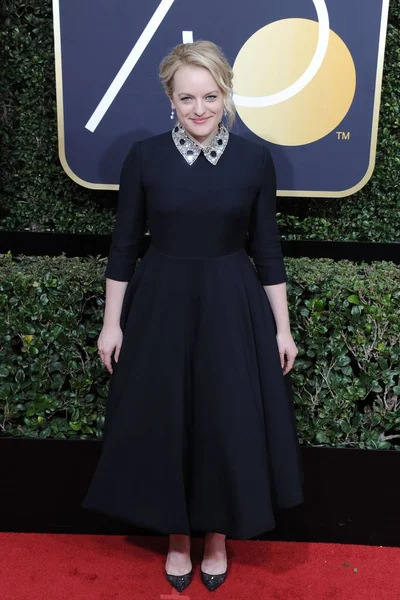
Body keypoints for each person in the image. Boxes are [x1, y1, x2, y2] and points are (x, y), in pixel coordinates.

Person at [81, 39, 304, 593]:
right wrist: (113, 323)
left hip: (232, 304)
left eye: (210, 95)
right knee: (168, 419)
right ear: (170, 100)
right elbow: (124, 247)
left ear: (226, 94)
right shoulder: (145, 157)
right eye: (187, 98)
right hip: (160, 304)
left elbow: (268, 250)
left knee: (225, 420)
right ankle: (178, 538)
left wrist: (282, 327)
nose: (199, 108)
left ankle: (217, 537)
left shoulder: (255, 158)